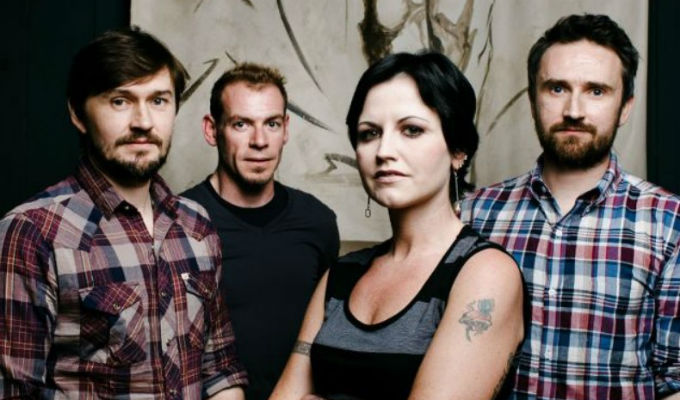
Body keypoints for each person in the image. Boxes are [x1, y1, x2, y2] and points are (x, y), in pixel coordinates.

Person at [0, 28, 247, 399]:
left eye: (159, 100)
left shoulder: (196, 225)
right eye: (120, 101)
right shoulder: (32, 232)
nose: (143, 121)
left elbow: (219, 370)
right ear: (78, 114)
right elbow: (15, 392)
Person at [270, 51, 525, 400]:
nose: (384, 150)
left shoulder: (485, 273)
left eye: (412, 130)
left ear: (457, 150)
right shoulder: (341, 275)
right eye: (369, 133)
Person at [462, 14, 680, 399]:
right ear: (533, 100)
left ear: (625, 107)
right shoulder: (475, 213)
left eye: (596, 91)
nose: (574, 110)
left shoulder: (669, 221)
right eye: (557, 88)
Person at [181, 63, 339, 400]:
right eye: (241, 124)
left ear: (286, 129)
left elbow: (328, 333)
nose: (260, 142)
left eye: (272, 124)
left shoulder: (318, 221)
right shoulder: (178, 222)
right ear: (212, 130)